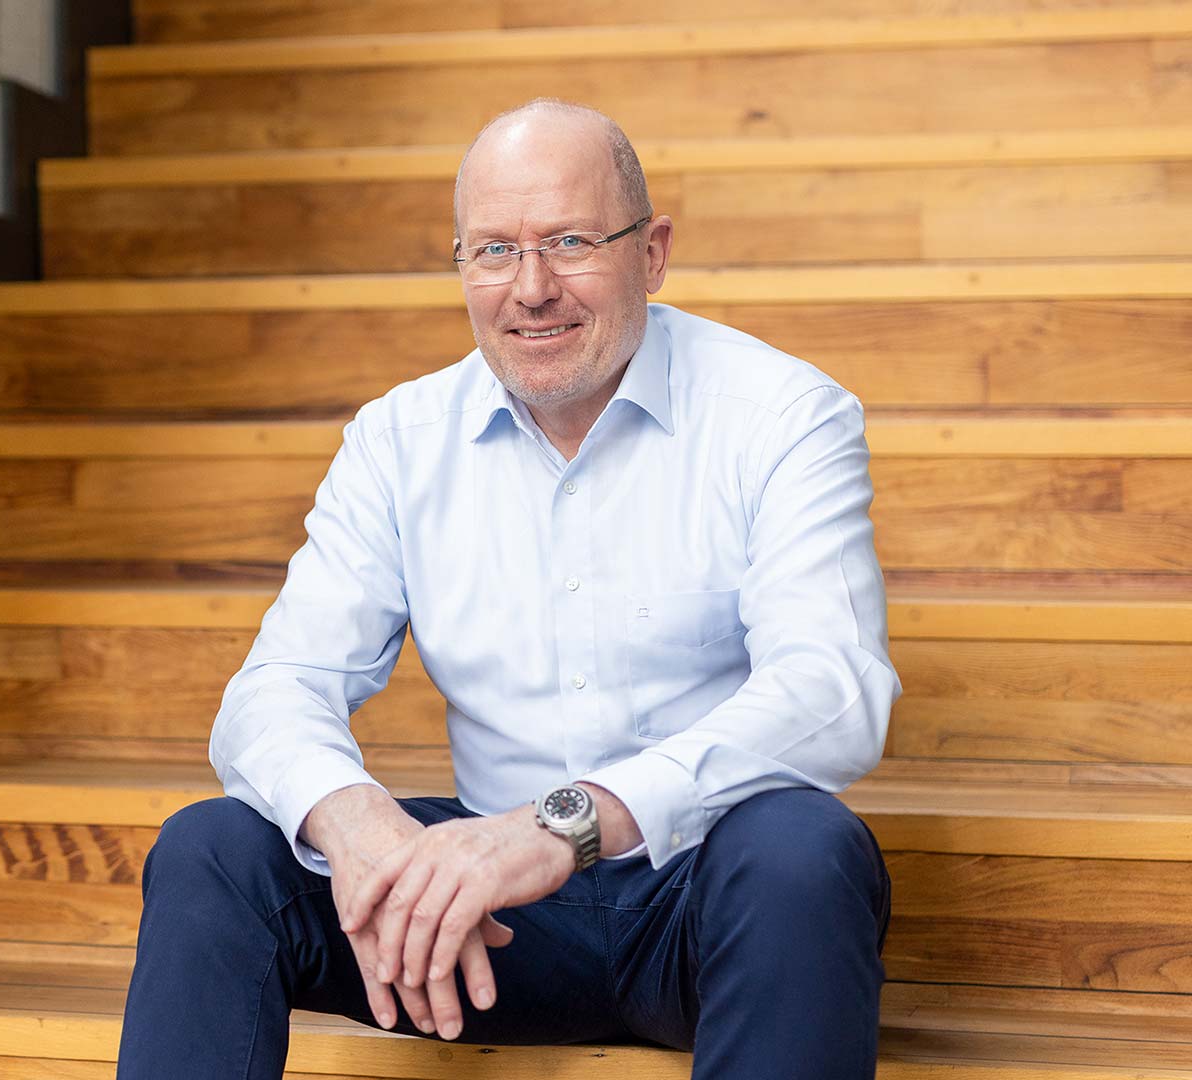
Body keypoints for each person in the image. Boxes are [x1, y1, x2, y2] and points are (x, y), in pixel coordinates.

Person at [115, 98, 900, 1080]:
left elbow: (833, 693)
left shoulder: (781, 414)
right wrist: (358, 826)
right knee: (213, 849)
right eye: (493, 251)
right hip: (469, 930)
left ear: (651, 253)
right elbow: (272, 694)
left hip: (695, 902)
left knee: (803, 848)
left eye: (569, 241)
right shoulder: (399, 439)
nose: (530, 288)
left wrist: (561, 826)